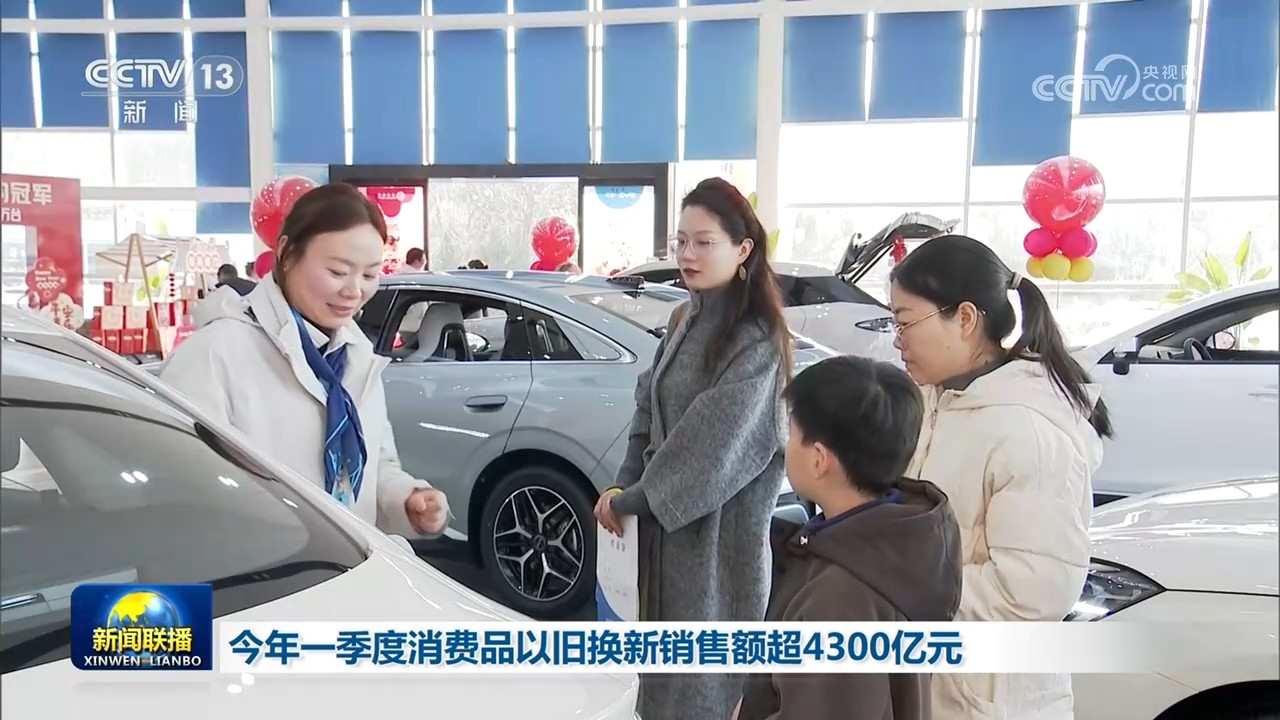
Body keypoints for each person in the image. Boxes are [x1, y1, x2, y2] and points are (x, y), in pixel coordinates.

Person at [888, 234, 1112, 720]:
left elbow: (1031, 592)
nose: (897, 339)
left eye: (905, 322)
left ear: (965, 318)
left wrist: (896, 591)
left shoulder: (1027, 429)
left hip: (991, 700)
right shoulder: (931, 403)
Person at [593, 177, 792, 720]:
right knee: (651, 681)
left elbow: (712, 449)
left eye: (704, 242)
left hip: (718, 547)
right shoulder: (684, 317)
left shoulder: (758, 340)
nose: (687, 254)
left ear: (743, 249)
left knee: (700, 689)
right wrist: (621, 482)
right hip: (659, 535)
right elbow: (647, 406)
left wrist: (632, 499)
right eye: (681, 241)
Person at [160, 183, 449, 539]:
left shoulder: (355, 357)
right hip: (262, 568)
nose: (354, 291)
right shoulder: (214, 355)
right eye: (338, 272)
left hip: (346, 563)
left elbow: (372, 465)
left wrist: (406, 499)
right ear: (286, 252)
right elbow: (180, 488)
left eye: (370, 275)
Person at [736, 355, 962, 720]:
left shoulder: (840, 600)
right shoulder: (899, 542)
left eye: (792, 434)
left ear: (819, 459)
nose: (787, 444)